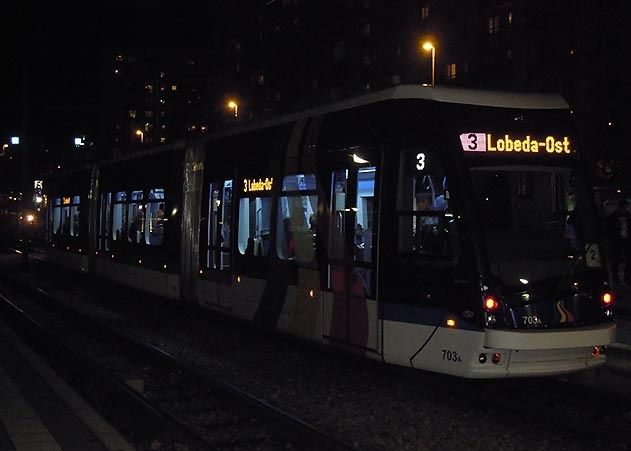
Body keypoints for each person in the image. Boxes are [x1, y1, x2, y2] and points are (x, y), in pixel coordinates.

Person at [606, 198, 631, 285]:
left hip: (626, 240)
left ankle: (626, 278)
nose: (624, 209)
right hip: (617, 240)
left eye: (626, 207)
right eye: (623, 207)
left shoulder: (628, 216)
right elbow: (608, 229)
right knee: (615, 260)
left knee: (628, 259)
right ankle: (616, 279)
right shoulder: (612, 217)